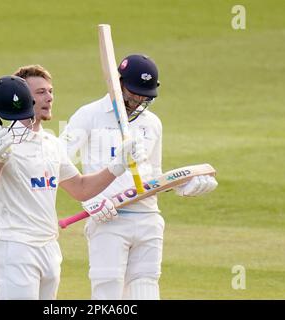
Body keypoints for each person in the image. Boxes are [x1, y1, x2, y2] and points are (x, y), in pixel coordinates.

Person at [0, 69, 146, 300]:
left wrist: (117, 167)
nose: (49, 98)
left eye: (50, 92)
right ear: (26, 99)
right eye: (41, 92)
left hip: (50, 248)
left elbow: (80, 188)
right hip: (17, 248)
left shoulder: (51, 144)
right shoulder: (2, 142)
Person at [60, 54, 218, 300]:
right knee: (108, 293)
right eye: (134, 92)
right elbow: (58, 159)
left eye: (145, 95)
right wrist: (89, 200)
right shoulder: (89, 115)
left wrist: (181, 187)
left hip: (148, 218)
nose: (138, 100)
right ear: (118, 82)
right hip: (108, 219)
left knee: (145, 291)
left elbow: (153, 174)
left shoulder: (152, 123)